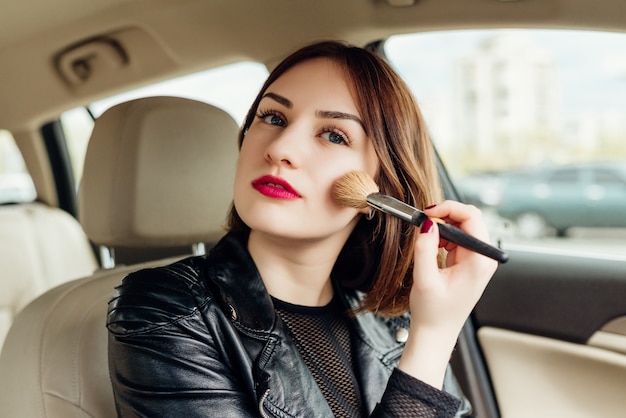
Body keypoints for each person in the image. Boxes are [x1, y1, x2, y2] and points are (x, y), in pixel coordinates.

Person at [107, 40, 498, 417]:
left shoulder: (394, 321)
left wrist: (428, 330)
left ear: (383, 189)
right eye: (273, 118)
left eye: (333, 135)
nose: (281, 148)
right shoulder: (168, 311)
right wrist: (432, 340)